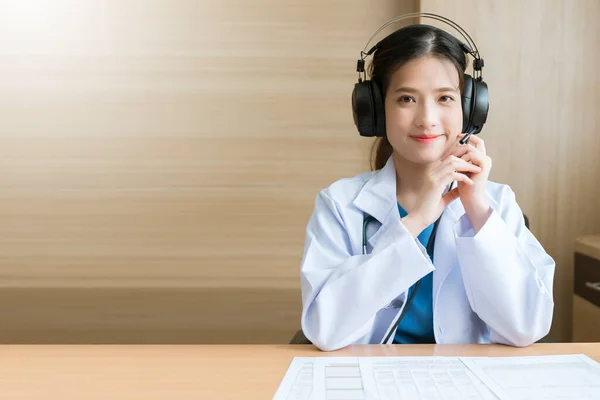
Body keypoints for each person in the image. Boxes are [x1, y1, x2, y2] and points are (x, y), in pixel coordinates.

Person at [299, 20, 555, 352]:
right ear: (376, 110)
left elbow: (526, 328)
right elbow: (324, 329)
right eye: (407, 99)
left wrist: (478, 212)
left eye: (445, 98)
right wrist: (415, 221)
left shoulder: (497, 202)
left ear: (468, 107)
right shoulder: (339, 204)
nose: (427, 118)